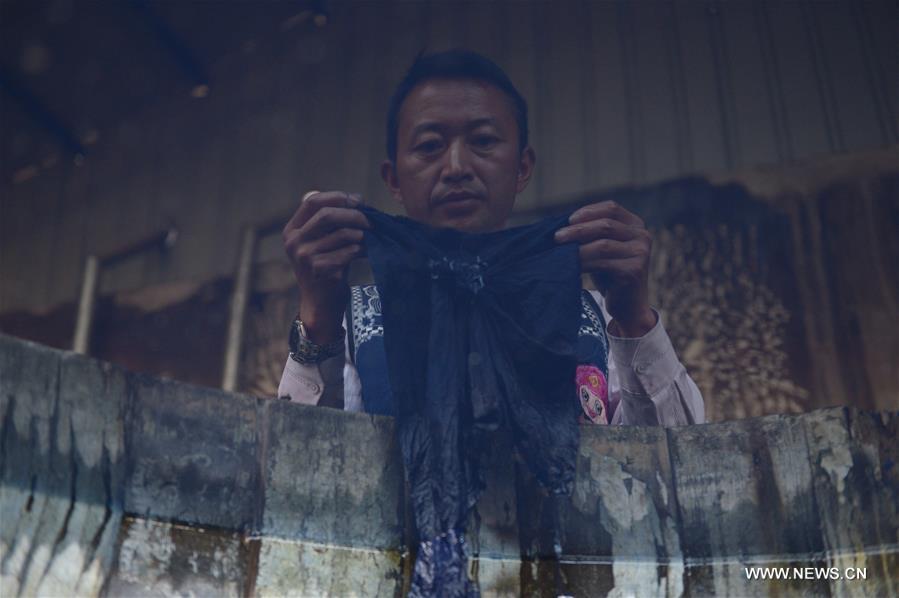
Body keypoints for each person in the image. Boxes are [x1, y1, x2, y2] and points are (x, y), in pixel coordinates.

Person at [277, 49, 704, 427]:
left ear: (521, 167)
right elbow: (302, 472)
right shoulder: (354, 321)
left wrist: (633, 322)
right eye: (429, 146)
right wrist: (318, 323)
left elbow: (681, 468)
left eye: (482, 141)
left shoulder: (591, 310)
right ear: (394, 179)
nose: (457, 166)